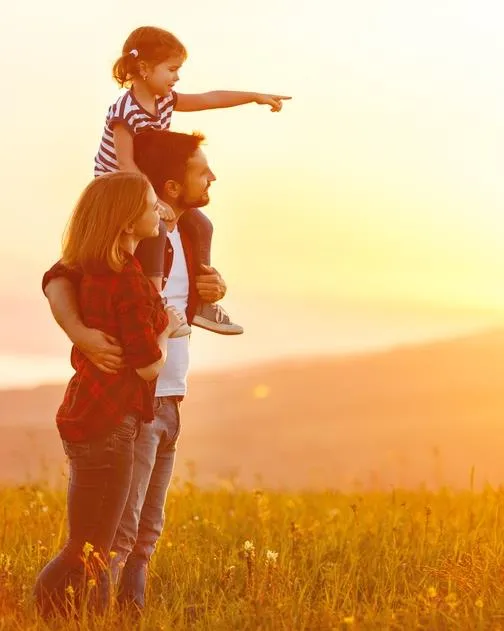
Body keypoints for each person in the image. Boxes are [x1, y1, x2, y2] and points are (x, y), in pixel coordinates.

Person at [43, 129, 226, 611]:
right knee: (114, 536)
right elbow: (61, 276)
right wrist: (80, 332)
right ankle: (89, 614)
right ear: (168, 185)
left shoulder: (191, 234)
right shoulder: (129, 246)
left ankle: (127, 615)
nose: (212, 177)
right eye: (200, 169)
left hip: (168, 396)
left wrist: (212, 292)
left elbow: (171, 314)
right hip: (131, 400)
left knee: (146, 532)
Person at [34, 171, 188, 616]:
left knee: (86, 543)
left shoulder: (100, 271)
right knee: (90, 546)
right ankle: (51, 613)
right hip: (112, 425)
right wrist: (168, 330)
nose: (157, 211)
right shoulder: (129, 281)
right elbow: (146, 365)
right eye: (148, 204)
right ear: (125, 223)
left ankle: (57, 615)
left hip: (85, 413)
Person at [95, 25, 291, 335]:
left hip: (146, 184)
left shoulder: (166, 100)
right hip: (119, 188)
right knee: (155, 229)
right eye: (171, 69)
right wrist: (152, 201)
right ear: (144, 68)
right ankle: (154, 303)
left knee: (202, 225)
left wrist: (253, 96)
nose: (177, 77)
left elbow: (209, 98)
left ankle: (201, 303)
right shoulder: (125, 110)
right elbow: (125, 164)